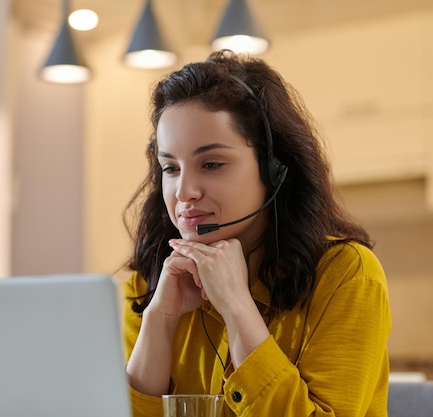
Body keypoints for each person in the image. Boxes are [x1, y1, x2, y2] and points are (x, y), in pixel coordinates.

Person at [122, 50, 391, 417]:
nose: (184, 192)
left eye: (212, 164)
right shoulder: (148, 283)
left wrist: (236, 306)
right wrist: (159, 320)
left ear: (274, 170)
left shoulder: (348, 275)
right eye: (170, 168)